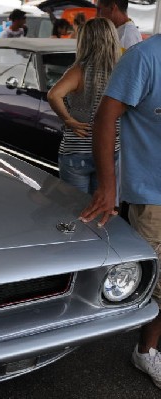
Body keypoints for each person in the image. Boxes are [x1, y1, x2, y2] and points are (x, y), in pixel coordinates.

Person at [80, 33, 161, 389]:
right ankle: (146, 351)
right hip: (154, 196)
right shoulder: (144, 58)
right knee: (154, 284)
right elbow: (104, 118)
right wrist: (108, 186)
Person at [47, 18, 121, 195]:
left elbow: (54, 95)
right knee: (102, 210)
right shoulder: (121, 70)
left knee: (75, 209)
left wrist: (68, 120)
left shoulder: (80, 70)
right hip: (110, 151)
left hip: (77, 150)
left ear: (85, 41)